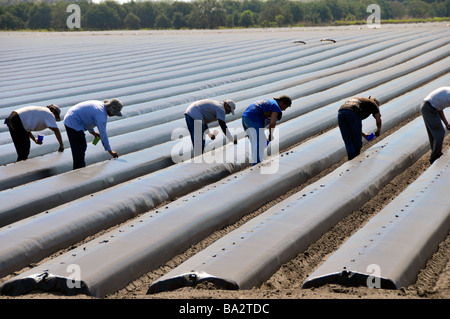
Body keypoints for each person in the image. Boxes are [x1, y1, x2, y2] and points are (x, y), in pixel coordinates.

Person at [63, 99, 122, 170]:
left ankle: (79, 167)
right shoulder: (101, 115)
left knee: (80, 147)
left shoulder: (100, 106)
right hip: (73, 121)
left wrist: (93, 132)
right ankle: (78, 170)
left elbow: (87, 118)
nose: (114, 115)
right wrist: (110, 150)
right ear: (111, 110)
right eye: (114, 113)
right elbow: (103, 134)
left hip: (72, 117)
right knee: (80, 146)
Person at [242, 95, 292, 165]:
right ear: (282, 103)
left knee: (255, 143)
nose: (284, 110)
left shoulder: (270, 102)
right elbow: (272, 123)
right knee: (260, 143)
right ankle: (257, 164)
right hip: (253, 119)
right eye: (285, 107)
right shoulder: (276, 106)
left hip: (245, 118)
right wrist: (271, 135)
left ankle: (255, 162)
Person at [338, 96, 382, 161]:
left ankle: (351, 160)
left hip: (341, 113)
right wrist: (378, 131)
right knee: (357, 141)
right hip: (352, 112)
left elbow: (354, 126)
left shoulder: (361, 102)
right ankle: (355, 161)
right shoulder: (373, 104)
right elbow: (378, 120)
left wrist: (364, 135)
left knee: (348, 140)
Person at [420, 87, 450, 164]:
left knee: (434, 134)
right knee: (440, 132)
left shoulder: (446, 92)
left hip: (426, 106)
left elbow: (440, 109)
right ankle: (435, 156)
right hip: (429, 107)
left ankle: (435, 155)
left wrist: (446, 123)